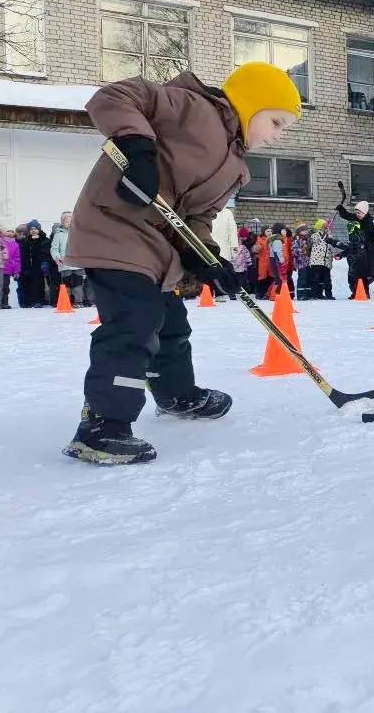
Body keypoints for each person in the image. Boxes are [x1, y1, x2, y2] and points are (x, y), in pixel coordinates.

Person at [61, 62, 302, 465]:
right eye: (276, 122)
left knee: (171, 323)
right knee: (134, 323)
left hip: (159, 247)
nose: (278, 135)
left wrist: (208, 258)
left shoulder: (235, 168)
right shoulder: (189, 106)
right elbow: (115, 97)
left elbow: (198, 220)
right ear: (250, 103)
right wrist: (137, 148)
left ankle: (175, 395)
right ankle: (103, 425)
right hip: (116, 227)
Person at [336, 200, 374, 299]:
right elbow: (346, 215)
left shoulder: (373, 221)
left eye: (359, 213)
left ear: (365, 212)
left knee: (373, 269)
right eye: (356, 213)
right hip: (360, 249)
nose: (357, 215)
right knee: (361, 270)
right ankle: (362, 291)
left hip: (371, 248)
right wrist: (341, 209)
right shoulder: (356, 219)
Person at [50, 211, 89, 307]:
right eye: (66, 221)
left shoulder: (79, 233)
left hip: (77, 264)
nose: (69, 223)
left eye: (71, 221)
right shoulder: (58, 234)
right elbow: (54, 248)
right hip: (65, 264)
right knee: (66, 284)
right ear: (63, 223)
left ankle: (78, 301)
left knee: (78, 284)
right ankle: (66, 302)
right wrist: (57, 258)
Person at [210, 197, 240, 302]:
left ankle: (230, 291)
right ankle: (216, 292)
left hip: (224, 247)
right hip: (210, 245)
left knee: (226, 269)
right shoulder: (208, 210)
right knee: (213, 270)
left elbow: (232, 230)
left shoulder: (227, 213)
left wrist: (234, 246)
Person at [20, 220, 53, 308]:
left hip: (41, 265)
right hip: (29, 265)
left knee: (39, 283)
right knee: (28, 283)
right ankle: (29, 301)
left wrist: (45, 263)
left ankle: (39, 300)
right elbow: (24, 254)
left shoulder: (45, 240)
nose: (33, 230)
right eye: (31, 229)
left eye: (35, 228)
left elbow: (46, 252)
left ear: (39, 229)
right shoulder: (26, 241)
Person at [307, 218, 340, 300]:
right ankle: (314, 294)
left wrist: (333, 255)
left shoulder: (329, 236)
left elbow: (331, 247)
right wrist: (316, 232)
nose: (325, 228)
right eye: (324, 226)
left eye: (326, 226)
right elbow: (312, 240)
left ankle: (328, 295)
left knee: (327, 280)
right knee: (316, 279)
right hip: (316, 261)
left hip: (326, 261)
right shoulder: (315, 235)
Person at [0, 227, 19, 308]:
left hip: (8, 269)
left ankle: (4, 303)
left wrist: (16, 271)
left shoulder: (15, 244)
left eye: (12, 231)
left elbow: (17, 258)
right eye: (8, 231)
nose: (10, 233)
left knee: (5, 287)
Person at [293, 223, 312, 300]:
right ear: (299, 231)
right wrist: (301, 250)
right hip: (301, 262)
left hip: (308, 261)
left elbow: (311, 247)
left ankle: (307, 294)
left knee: (308, 277)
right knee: (302, 278)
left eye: (306, 230)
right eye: (303, 230)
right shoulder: (297, 239)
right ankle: (300, 294)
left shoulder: (309, 239)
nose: (306, 231)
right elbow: (294, 250)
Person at [232, 227, 254, 292]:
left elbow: (247, 255)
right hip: (241, 267)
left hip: (237, 267)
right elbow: (248, 256)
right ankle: (241, 290)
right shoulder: (242, 247)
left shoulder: (234, 248)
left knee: (239, 280)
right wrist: (249, 263)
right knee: (241, 280)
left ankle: (238, 290)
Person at [253, 229, 271, 299]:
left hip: (270, 262)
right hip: (262, 262)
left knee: (270, 278)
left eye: (270, 231)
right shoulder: (260, 239)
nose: (269, 233)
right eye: (268, 231)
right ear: (264, 232)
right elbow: (256, 249)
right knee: (262, 278)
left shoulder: (273, 239)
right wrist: (257, 248)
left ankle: (268, 293)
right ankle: (260, 293)